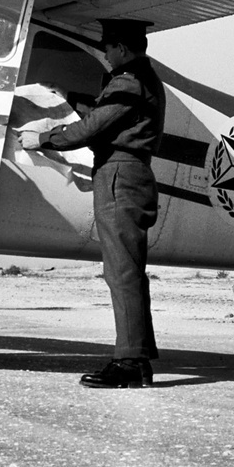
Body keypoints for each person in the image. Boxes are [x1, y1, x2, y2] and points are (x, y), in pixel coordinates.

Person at [20, 19, 165, 389]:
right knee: (126, 270)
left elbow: (90, 129)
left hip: (120, 177)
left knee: (121, 271)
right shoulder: (139, 80)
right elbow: (104, 116)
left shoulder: (130, 81)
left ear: (121, 48)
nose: (104, 53)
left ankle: (129, 362)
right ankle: (138, 359)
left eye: (108, 46)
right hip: (125, 175)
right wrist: (69, 96)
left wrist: (44, 139)